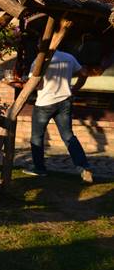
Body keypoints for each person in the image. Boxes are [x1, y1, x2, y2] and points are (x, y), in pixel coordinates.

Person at [23, 49, 94, 183]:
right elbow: (84, 73)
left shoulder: (40, 60)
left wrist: (24, 82)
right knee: (68, 136)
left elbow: (36, 84)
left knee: (37, 136)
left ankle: (39, 168)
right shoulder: (68, 56)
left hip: (45, 103)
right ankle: (84, 167)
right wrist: (75, 89)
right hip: (64, 101)